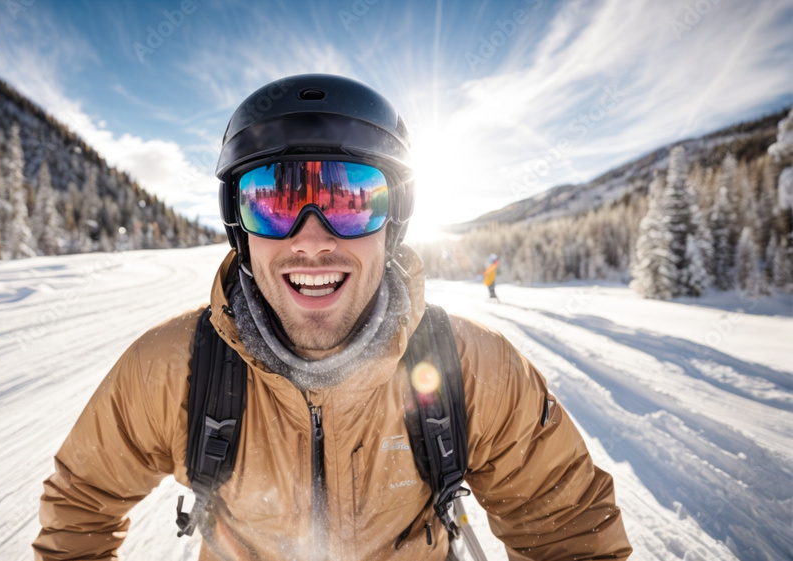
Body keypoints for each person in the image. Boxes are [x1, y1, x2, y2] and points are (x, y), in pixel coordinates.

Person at [32, 74, 632, 561]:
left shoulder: (474, 370)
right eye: (275, 202)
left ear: (393, 223)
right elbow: (79, 505)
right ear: (239, 227)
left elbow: (572, 535)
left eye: (349, 201)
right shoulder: (175, 368)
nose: (312, 240)